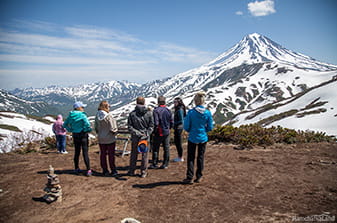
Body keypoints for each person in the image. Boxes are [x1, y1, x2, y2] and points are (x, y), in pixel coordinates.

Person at [182, 92, 213, 184]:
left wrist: (190, 130)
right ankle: (199, 176)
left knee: (191, 157)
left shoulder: (191, 112)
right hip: (203, 137)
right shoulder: (207, 113)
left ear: (195, 101)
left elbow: (186, 126)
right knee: (200, 157)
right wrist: (204, 131)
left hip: (192, 137)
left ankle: (189, 177)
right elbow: (210, 127)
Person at [63, 101, 93, 176]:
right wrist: (87, 130)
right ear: (78, 108)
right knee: (85, 152)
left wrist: (71, 130)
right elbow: (87, 124)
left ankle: (76, 168)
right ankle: (88, 170)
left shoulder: (71, 115)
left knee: (77, 152)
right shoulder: (83, 115)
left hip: (75, 135)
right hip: (83, 134)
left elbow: (65, 125)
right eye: (82, 107)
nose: (83, 108)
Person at [127, 96, 154, 178]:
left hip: (135, 137)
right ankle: (143, 172)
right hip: (145, 137)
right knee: (145, 155)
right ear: (144, 102)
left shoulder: (132, 114)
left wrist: (137, 133)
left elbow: (130, 127)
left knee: (134, 153)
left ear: (136, 102)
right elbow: (152, 126)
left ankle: (132, 171)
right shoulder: (149, 113)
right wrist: (146, 133)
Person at [95, 101, 119, 177]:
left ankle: (105, 170)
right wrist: (115, 133)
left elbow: (96, 127)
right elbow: (113, 128)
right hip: (110, 138)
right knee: (111, 155)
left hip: (101, 138)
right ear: (106, 107)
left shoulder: (97, 116)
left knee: (103, 154)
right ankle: (113, 170)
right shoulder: (108, 116)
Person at [150, 96, 173, 169]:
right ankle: (165, 163)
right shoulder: (168, 110)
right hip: (166, 132)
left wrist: (154, 131)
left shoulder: (156, 111)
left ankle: (154, 163)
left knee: (156, 148)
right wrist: (169, 128)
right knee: (166, 148)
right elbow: (171, 121)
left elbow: (156, 123)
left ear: (158, 102)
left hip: (158, 132)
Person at [172, 97, 186, 162]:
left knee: (178, 142)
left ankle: (180, 157)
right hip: (178, 127)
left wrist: (174, 123)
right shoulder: (179, 109)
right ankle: (179, 156)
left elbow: (181, 120)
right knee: (177, 142)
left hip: (178, 127)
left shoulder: (179, 109)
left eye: (175, 102)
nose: (174, 103)